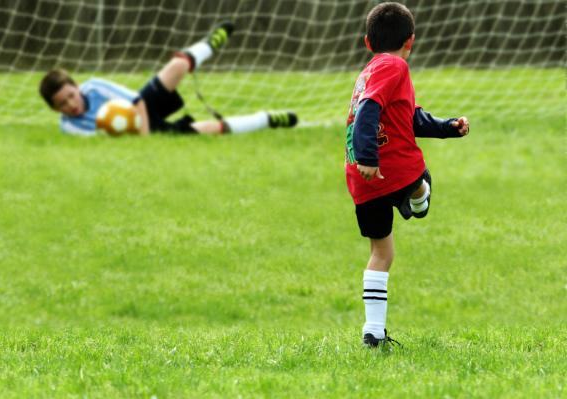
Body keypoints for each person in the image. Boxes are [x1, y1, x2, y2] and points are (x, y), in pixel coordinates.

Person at [344, 2, 470, 348]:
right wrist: (371, 155)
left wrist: (446, 127)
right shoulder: (395, 65)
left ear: (367, 42)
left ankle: (373, 332)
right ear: (410, 40)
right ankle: (417, 196)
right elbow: (369, 109)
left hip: (360, 177)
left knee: (382, 254)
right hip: (393, 168)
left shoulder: (369, 70)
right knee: (419, 178)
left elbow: (408, 117)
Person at [39, 22, 297, 136]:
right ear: (54, 109)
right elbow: (101, 141)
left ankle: (209, 45)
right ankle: (267, 120)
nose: (71, 105)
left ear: (76, 86)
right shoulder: (69, 127)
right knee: (209, 130)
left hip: (142, 111)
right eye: (62, 104)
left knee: (176, 65)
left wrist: (144, 140)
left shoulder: (94, 87)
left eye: (71, 95)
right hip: (129, 133)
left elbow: (137, 100)